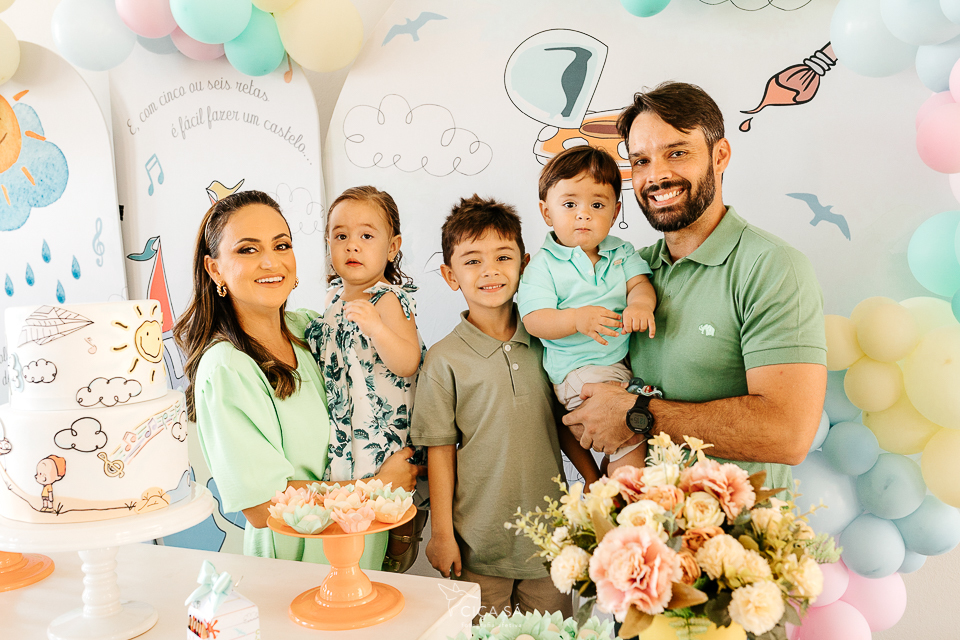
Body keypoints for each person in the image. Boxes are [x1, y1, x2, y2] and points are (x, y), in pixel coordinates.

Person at [564, 82, 827, 492]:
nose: (656, 176)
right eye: (641, 161)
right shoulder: (629, 271)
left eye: (677, 153)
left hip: (740, 529)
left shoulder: (772, 267)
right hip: (639, 526)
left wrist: (638, 414)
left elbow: (788, 434)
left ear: (720, 156)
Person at [175, 190, 420, 569]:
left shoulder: (311, 329)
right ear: (214, 269)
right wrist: (375, 489)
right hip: (299, 564)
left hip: (359, 547)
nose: (270, 261)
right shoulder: (226, 368)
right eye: (247, 249)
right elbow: (262, 506)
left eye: (281, 245)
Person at [411, 195, 573, 619]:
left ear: (525, 264)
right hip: (477, 547)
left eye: (503, 256)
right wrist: (441, 534)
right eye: (472, 261)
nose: (490, 270)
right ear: (450, 275)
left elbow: (563, 425)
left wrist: (594, 484)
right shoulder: (443, 359)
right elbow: (440, 452)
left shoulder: (550, 341)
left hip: (551, 543)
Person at [303, 185, 428, 572]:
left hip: (382, 430)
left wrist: (377, 328)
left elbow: (408, 361)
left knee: (386, 512)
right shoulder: (331, 300)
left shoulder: (388, 299)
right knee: (350, 512)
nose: (352, 246)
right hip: (345, 423)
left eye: (367, 236)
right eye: (340, 236)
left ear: (392, 247)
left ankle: (397, 548)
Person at [518, 145, 657, 481]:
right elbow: (534, 319)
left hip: (619, 364)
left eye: (597, 205)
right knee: (629, 436)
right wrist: (575, 319)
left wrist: (640, 304)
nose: (584, 214)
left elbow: (640, 284)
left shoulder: (621, 252)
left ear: (615, 211)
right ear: (547, 212)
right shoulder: (543, 266)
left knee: (642, 435)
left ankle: (611, 482)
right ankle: (622, 493)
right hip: (578, 372)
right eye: (570, 205)